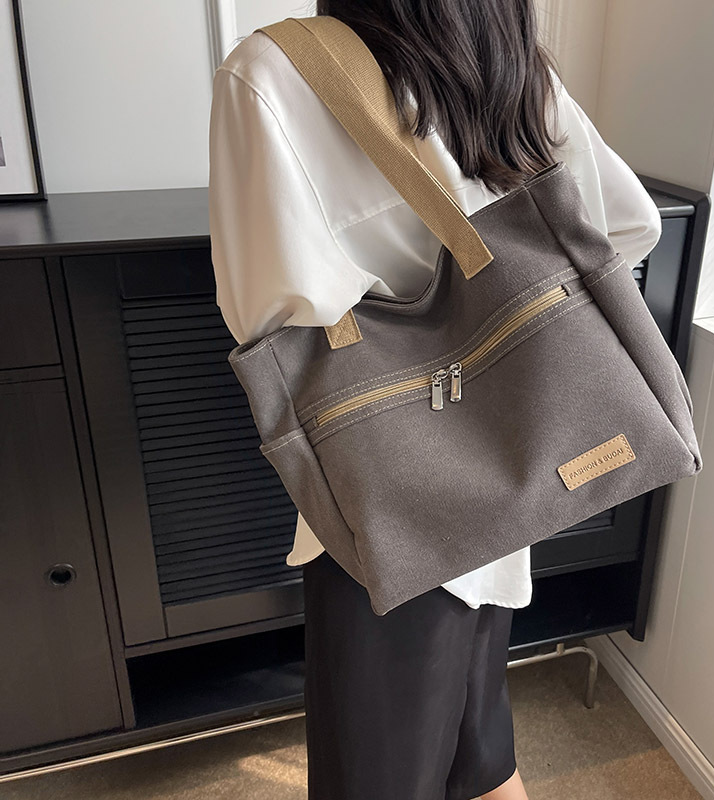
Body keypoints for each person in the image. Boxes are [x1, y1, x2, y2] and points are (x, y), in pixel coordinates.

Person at [208, 2, 662, 798]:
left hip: (386, 506)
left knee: (382, 779)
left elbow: (264, 314)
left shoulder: (272, 70)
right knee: (481, 755)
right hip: (513, 479)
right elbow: (629, 225)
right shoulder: (510, 61)